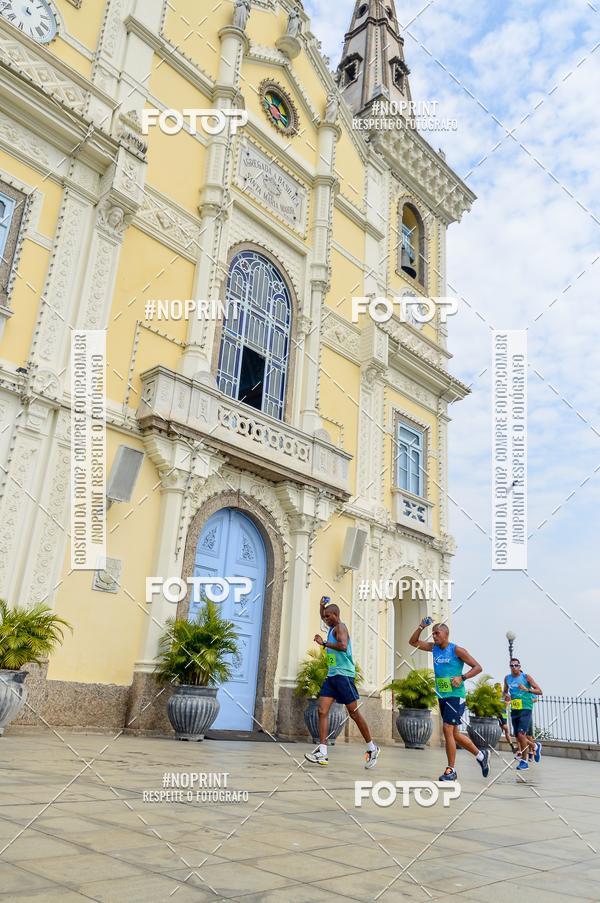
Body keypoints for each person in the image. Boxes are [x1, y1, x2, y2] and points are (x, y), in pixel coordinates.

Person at [409, 620, 490, 782]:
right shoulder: (434, 648)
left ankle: (451, 770)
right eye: (432, 633)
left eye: (437, 633)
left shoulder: (457, 650)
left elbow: (477, 667)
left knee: (447, 729)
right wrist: (420, 627)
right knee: (455, 734)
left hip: (456, 695)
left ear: (446, 634)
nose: (434, 635)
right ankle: (481, 755)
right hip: (443, 695)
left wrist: (462, 677)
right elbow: (413, 642)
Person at [305, 597, 380, 769]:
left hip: (344, 676)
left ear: (336, 615)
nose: (325, 619)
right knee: (321, 710)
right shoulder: (331, 627)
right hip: (332, 676)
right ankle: (322, 752)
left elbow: (343, 646)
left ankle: (372, 747)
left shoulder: (341, 627)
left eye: (328, 616)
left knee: (354, 713)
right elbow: (323, 615)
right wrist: (321, 605)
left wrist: (323, 642)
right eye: (324, 617)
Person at [503, 658, 543, 770]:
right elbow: (505, 692)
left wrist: (527, 689)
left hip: (526, 708)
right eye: (512, 666)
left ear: (520, 666)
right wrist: (506, 697)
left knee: (521, 734)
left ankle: (524, 762)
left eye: (516, 665)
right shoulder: (507, 678)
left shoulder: (526, 677)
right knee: (518, 736)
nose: (514, 667)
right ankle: (535, 746)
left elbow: (539, 691)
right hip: (515, 708)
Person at [494, 682, 516, 752]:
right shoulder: (494, 695)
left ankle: (512, 747)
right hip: (499, 714)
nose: (499, 689)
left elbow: (510, 700)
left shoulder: (505, 694)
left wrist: (508, 703)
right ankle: (492, 744)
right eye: (497, 687)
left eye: (500, 687)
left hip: (504, 714)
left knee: (504, 730)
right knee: (505, 729)